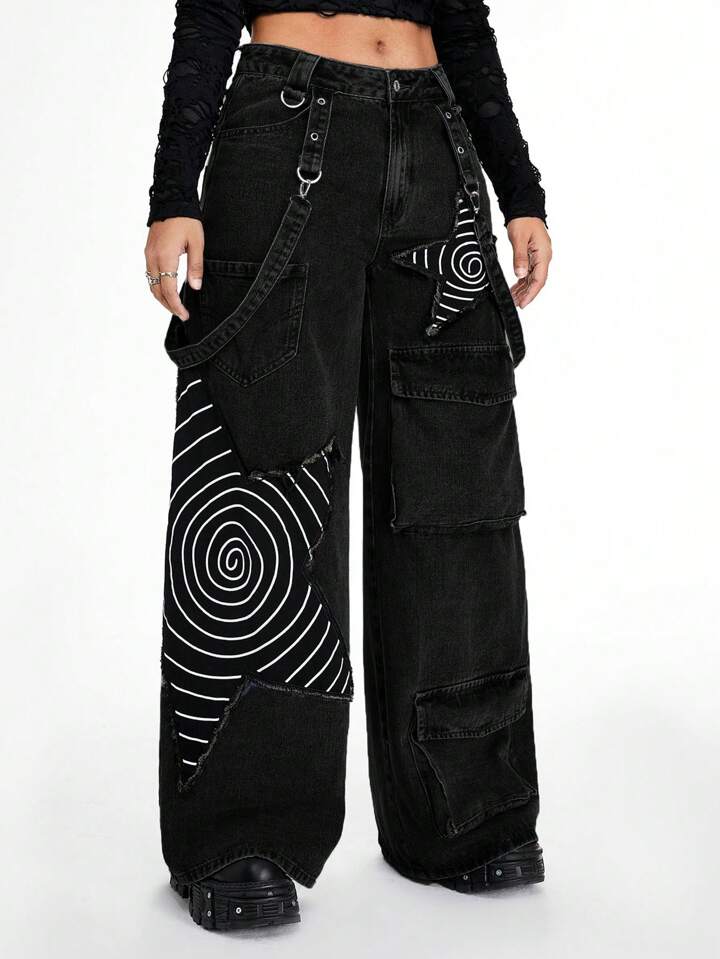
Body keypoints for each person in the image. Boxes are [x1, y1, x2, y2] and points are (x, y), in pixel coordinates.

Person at [144, 0, 551, 932]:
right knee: (265, 481)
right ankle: (239, 833)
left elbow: (464, 24)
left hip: (437, 140)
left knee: (456, 493)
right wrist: (174, 191)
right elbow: (207, 14)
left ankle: (465, 814)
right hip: (284, 131)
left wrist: (519, 189)